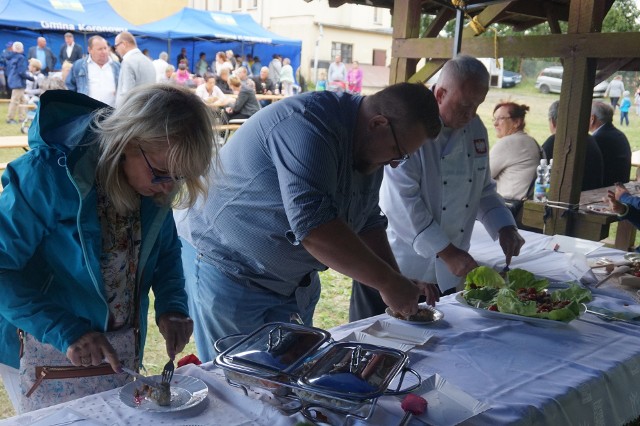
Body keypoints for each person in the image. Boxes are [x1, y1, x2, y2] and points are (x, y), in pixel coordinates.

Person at [176, 82, 442, 361]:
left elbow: (367, 221)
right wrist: (388, 282)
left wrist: (397, 281)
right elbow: (315, 229)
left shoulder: (369, 148)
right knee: (242, 383)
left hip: (291, 283)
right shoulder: (308, 125)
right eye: (398, 152)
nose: (394, 162)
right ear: (378, 123)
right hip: (229, 268)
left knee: (290, 380)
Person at [0, 84, 216, 413]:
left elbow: (167, 249)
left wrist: (172, 305)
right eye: (161, 173)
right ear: (127, 142)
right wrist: (64, 329)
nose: (169, 187)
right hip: (38, 345)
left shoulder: (151, 184)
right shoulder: (46, 176)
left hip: (111, 349)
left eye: (180, 176)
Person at [350, 55, 525, 322]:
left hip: (449, 269)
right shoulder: (408, 124)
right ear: (440, 93)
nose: (471, 114)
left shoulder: (475, 129)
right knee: (373, 340)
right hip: (396, 263)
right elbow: (401, 201)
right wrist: (447, 251)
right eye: (465, 105)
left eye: (477, 106)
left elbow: (482, 189)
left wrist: (504, 226)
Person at [542, 100, 603, 191]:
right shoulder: (588, 139)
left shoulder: (555, 141)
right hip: (592, 193)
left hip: (572, 199)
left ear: (553, 122)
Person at [489, 101, 542, 203]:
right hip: (525, 206)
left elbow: (481, 177)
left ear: (516, 122)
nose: (495, 124)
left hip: (507, 206)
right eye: (494, 119)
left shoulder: (507, 143)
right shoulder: (532, 142)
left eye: (501, 118)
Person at [66, 36, 120, 107]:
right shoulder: (79, 66)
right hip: (88, 112)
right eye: (100, 49)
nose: (104, 51)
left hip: (113, 112)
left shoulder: (117, 66)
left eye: (105, 48)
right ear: (90, 50)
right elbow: (70, 87)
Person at [589, 100, 632, 186]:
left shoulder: (597, 139)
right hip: (621, 185)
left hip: (606, 190)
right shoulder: (619, 134)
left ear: (592, 119)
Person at [114, 32, 156, 108]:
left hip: (131, 113)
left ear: (124, 44)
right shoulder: (148, 61)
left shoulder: (127, 62)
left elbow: (126, 95)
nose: (116, 50)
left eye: (116, 46)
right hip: (146, 110)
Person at [5, 42, 33, 124]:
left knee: (22, 100)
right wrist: (31, 78)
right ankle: (10, 118)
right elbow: (21, 72)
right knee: (15, 101)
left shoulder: (11, 57)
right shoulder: (21, 58)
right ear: (21, 49)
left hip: (13, 80)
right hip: (19, 82)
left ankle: (22, 118)